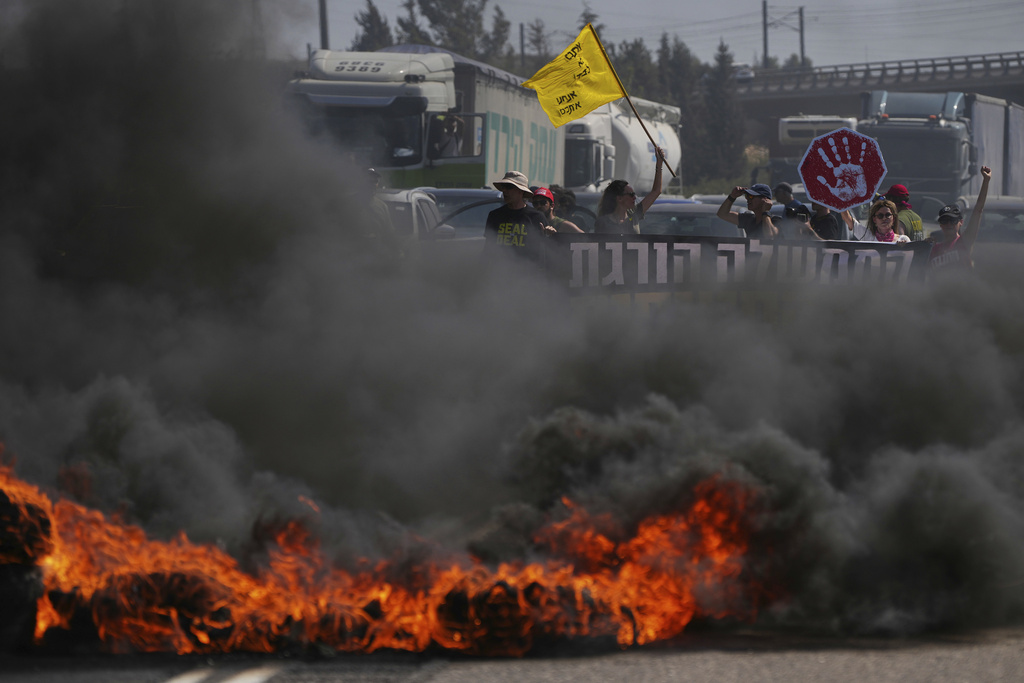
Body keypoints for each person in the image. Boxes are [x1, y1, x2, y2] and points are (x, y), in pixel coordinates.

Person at [929, 166, 992, 271]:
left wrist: (986, 181)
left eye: (953, 221)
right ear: (940, 225)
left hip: (961, 287)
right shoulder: (935, 249)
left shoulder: (964, 242)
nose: (949, 224)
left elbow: (978, 210)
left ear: (961, 222)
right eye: (945, 221)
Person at [594, 147, 667, 234]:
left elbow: (656, 191)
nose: (634, 197)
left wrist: (659, 164)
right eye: (631, 194)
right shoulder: (603, 223)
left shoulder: (634, 215)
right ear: (619, 198)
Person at [482, 170, 550, 262]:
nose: (504, 191)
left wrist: (549, 235)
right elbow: (488, 247)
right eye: (503, 187)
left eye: (509, 187)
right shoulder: (495, 215)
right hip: (498, 272)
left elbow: (547, 250)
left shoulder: (536, 217)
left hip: (527, 272)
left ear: (521, 191)